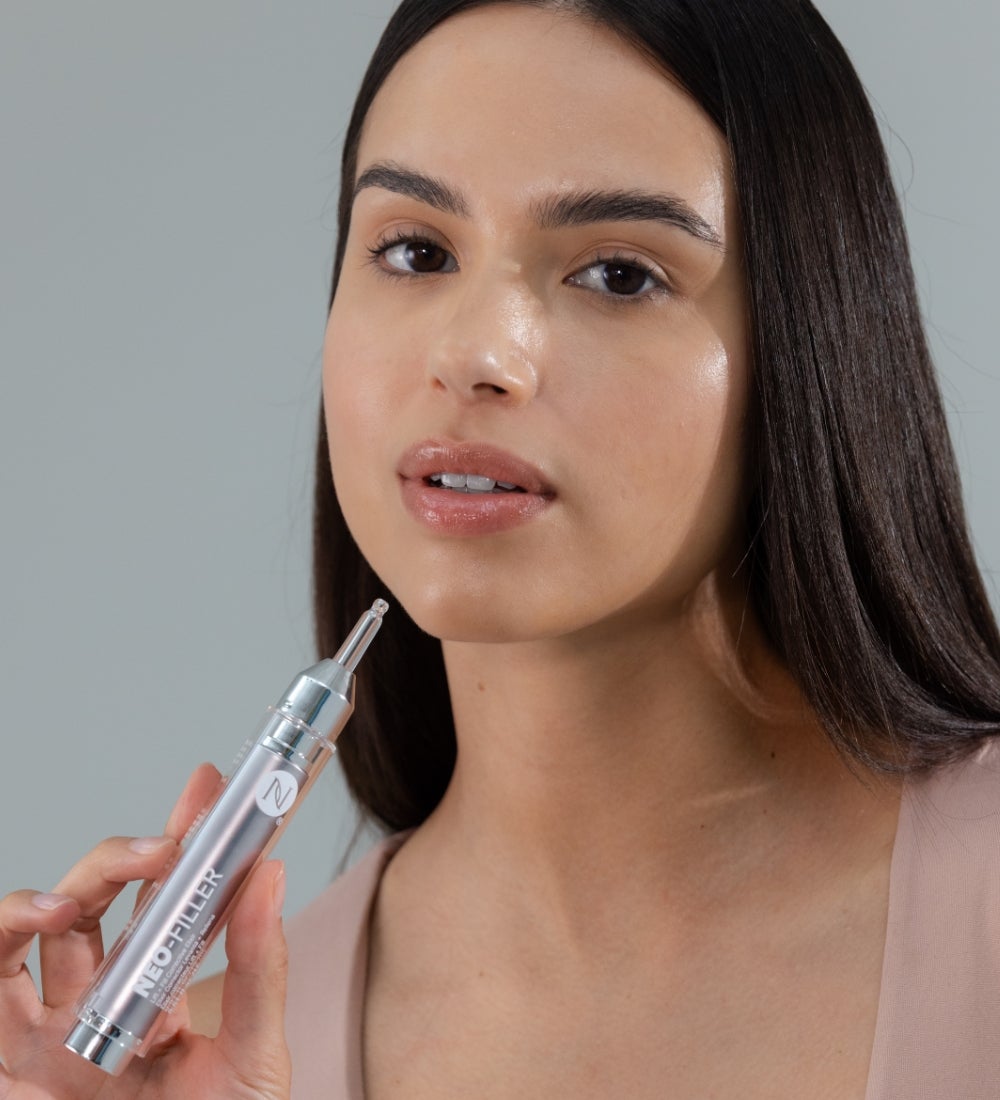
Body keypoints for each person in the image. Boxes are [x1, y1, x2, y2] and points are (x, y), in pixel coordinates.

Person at [3, 1, 1000, 1096]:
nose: (474, 352)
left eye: (619, 274)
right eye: (416, 251)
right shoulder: (183, 1067)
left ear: (809, 342)